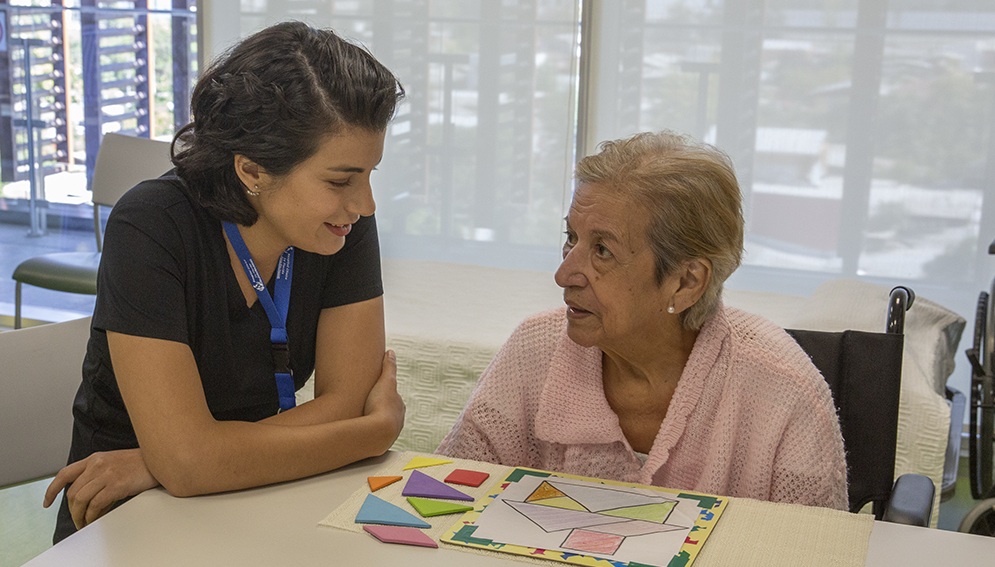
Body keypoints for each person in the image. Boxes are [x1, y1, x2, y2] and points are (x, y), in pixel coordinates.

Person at [43, 21, 407, 542]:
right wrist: (373, 433)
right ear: (252, 171)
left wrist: (169, 461)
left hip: (252, 496)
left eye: (370, 174)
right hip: (123, 514)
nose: (364, 204)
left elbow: (347, 402)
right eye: (339, 180)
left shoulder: (341, 227)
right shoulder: (151, 226)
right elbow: (189, 463)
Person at [437, 130, 848, 510]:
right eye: (571, 238)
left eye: (603, 250)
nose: (564, 274)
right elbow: (447, 499)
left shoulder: (784, 393)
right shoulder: (534, 351)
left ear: (686, 282)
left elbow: (818, 548)